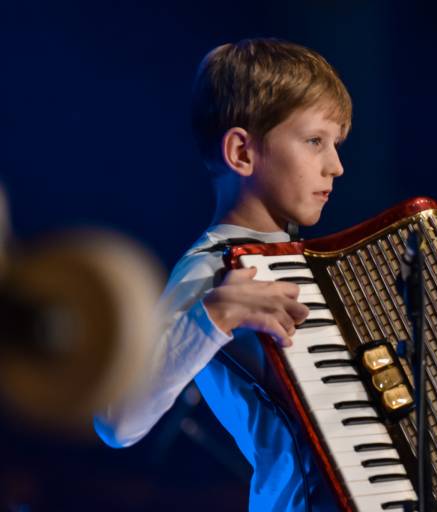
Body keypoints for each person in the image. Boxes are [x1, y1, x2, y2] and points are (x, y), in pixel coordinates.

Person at [94, 38, 351, 512]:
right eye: (315, 141)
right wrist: (214, 313)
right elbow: (118, 420)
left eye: (336, 144)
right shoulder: (211, 268)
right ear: (241, 152)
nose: (335, 166)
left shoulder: (314, 262)